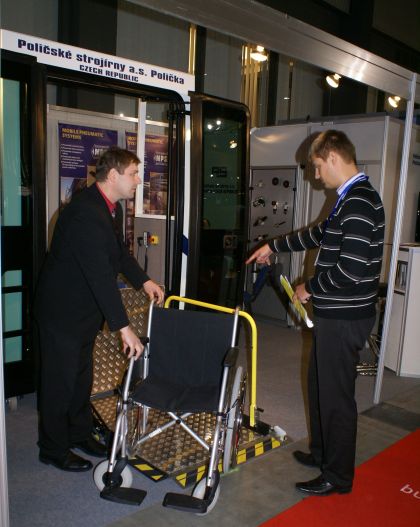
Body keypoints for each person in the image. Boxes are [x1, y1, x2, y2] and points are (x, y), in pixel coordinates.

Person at [246, 130, 385, 495]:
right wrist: (272, 245)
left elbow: (351, 269)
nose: (316, 175)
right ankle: (322, 452)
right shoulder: (348, 199)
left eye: (319, 166)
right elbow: (317, 234)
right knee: (319, 384)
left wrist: (310, 287)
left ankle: (337, 476)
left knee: (336, 397)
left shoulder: (359, 203)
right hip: (334, 315)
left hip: (345, 317)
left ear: (334, 158)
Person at [35, 146, 164, 472]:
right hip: (61, 313)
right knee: (59, 382)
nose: (138, 180)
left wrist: (143, 281)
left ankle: (79, 433)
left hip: (83, 312)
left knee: (80, 377)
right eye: (134, 174)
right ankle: (52, 448)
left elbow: (117, 254)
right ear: (113, 175)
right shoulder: (83, 214)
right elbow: (98, 276)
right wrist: (124, 327)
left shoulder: (111, 208)